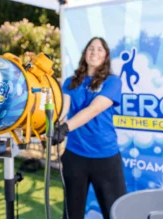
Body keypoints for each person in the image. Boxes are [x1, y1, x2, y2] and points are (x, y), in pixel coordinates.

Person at [50, 37, 127, 219]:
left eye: (100, 49)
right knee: (72, 214)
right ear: (85, 53)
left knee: (115, 212)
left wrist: (65, 128)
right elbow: (63, 110)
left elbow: (94, 109)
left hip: (105, 157)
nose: (94, 52)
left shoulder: (112, 82)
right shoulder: (70, 82)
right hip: (75, 156)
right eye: (91, 48)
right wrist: (53, 126)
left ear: (106, 56)